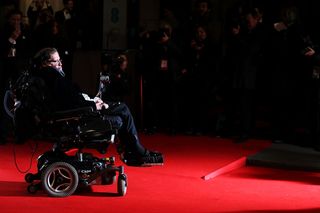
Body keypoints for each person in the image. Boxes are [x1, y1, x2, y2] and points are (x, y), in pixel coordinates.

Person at [29, 47, 163, 166]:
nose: (60, 64)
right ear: (46, 63)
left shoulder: (47, 77)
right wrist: (94, 105)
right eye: (56, 61)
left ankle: (134, 152)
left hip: (78, 110)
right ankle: (137, 153)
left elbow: (71, 99)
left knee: (119, 114)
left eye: (60, 60)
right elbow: (70, 102)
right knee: (122, 109)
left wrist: (92, 100)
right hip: (78, 115)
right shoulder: (53, 77)